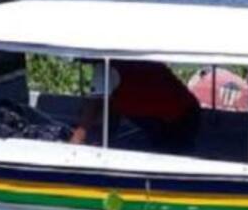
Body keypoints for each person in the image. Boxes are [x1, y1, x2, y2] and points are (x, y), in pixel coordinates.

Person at [69, 59, 200, 151]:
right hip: (180, 111)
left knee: (167, 159)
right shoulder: (121, 61)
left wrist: (75, 142)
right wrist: (106, 142)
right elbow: (112, 111)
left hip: (175, 116)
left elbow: (91, 110)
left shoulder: (106, 68)